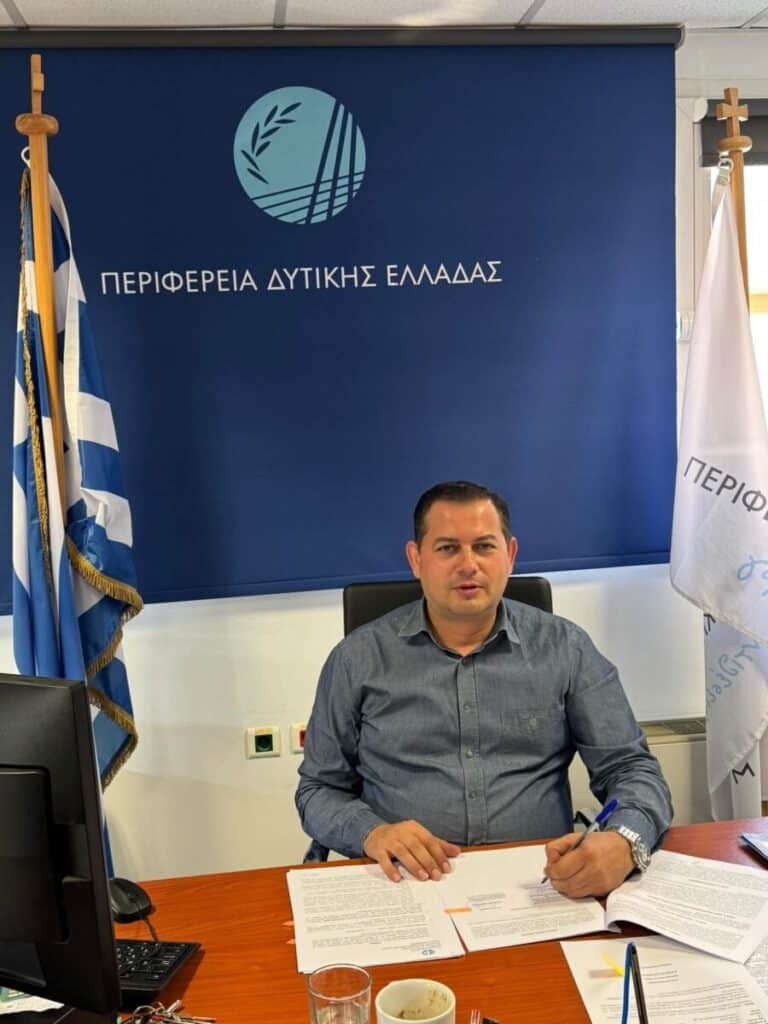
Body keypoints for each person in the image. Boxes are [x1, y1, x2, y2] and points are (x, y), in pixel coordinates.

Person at [295, 481, 672, 897]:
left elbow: (631, 770)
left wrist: (625, 841)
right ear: (416, 559)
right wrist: (372, 833)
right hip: (406, 883)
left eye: (484, 547)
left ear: (509, 555)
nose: (468, 564)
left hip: (540, 885)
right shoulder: (356, 659)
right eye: (447, 548)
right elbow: (318, 790)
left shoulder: (566, 648)